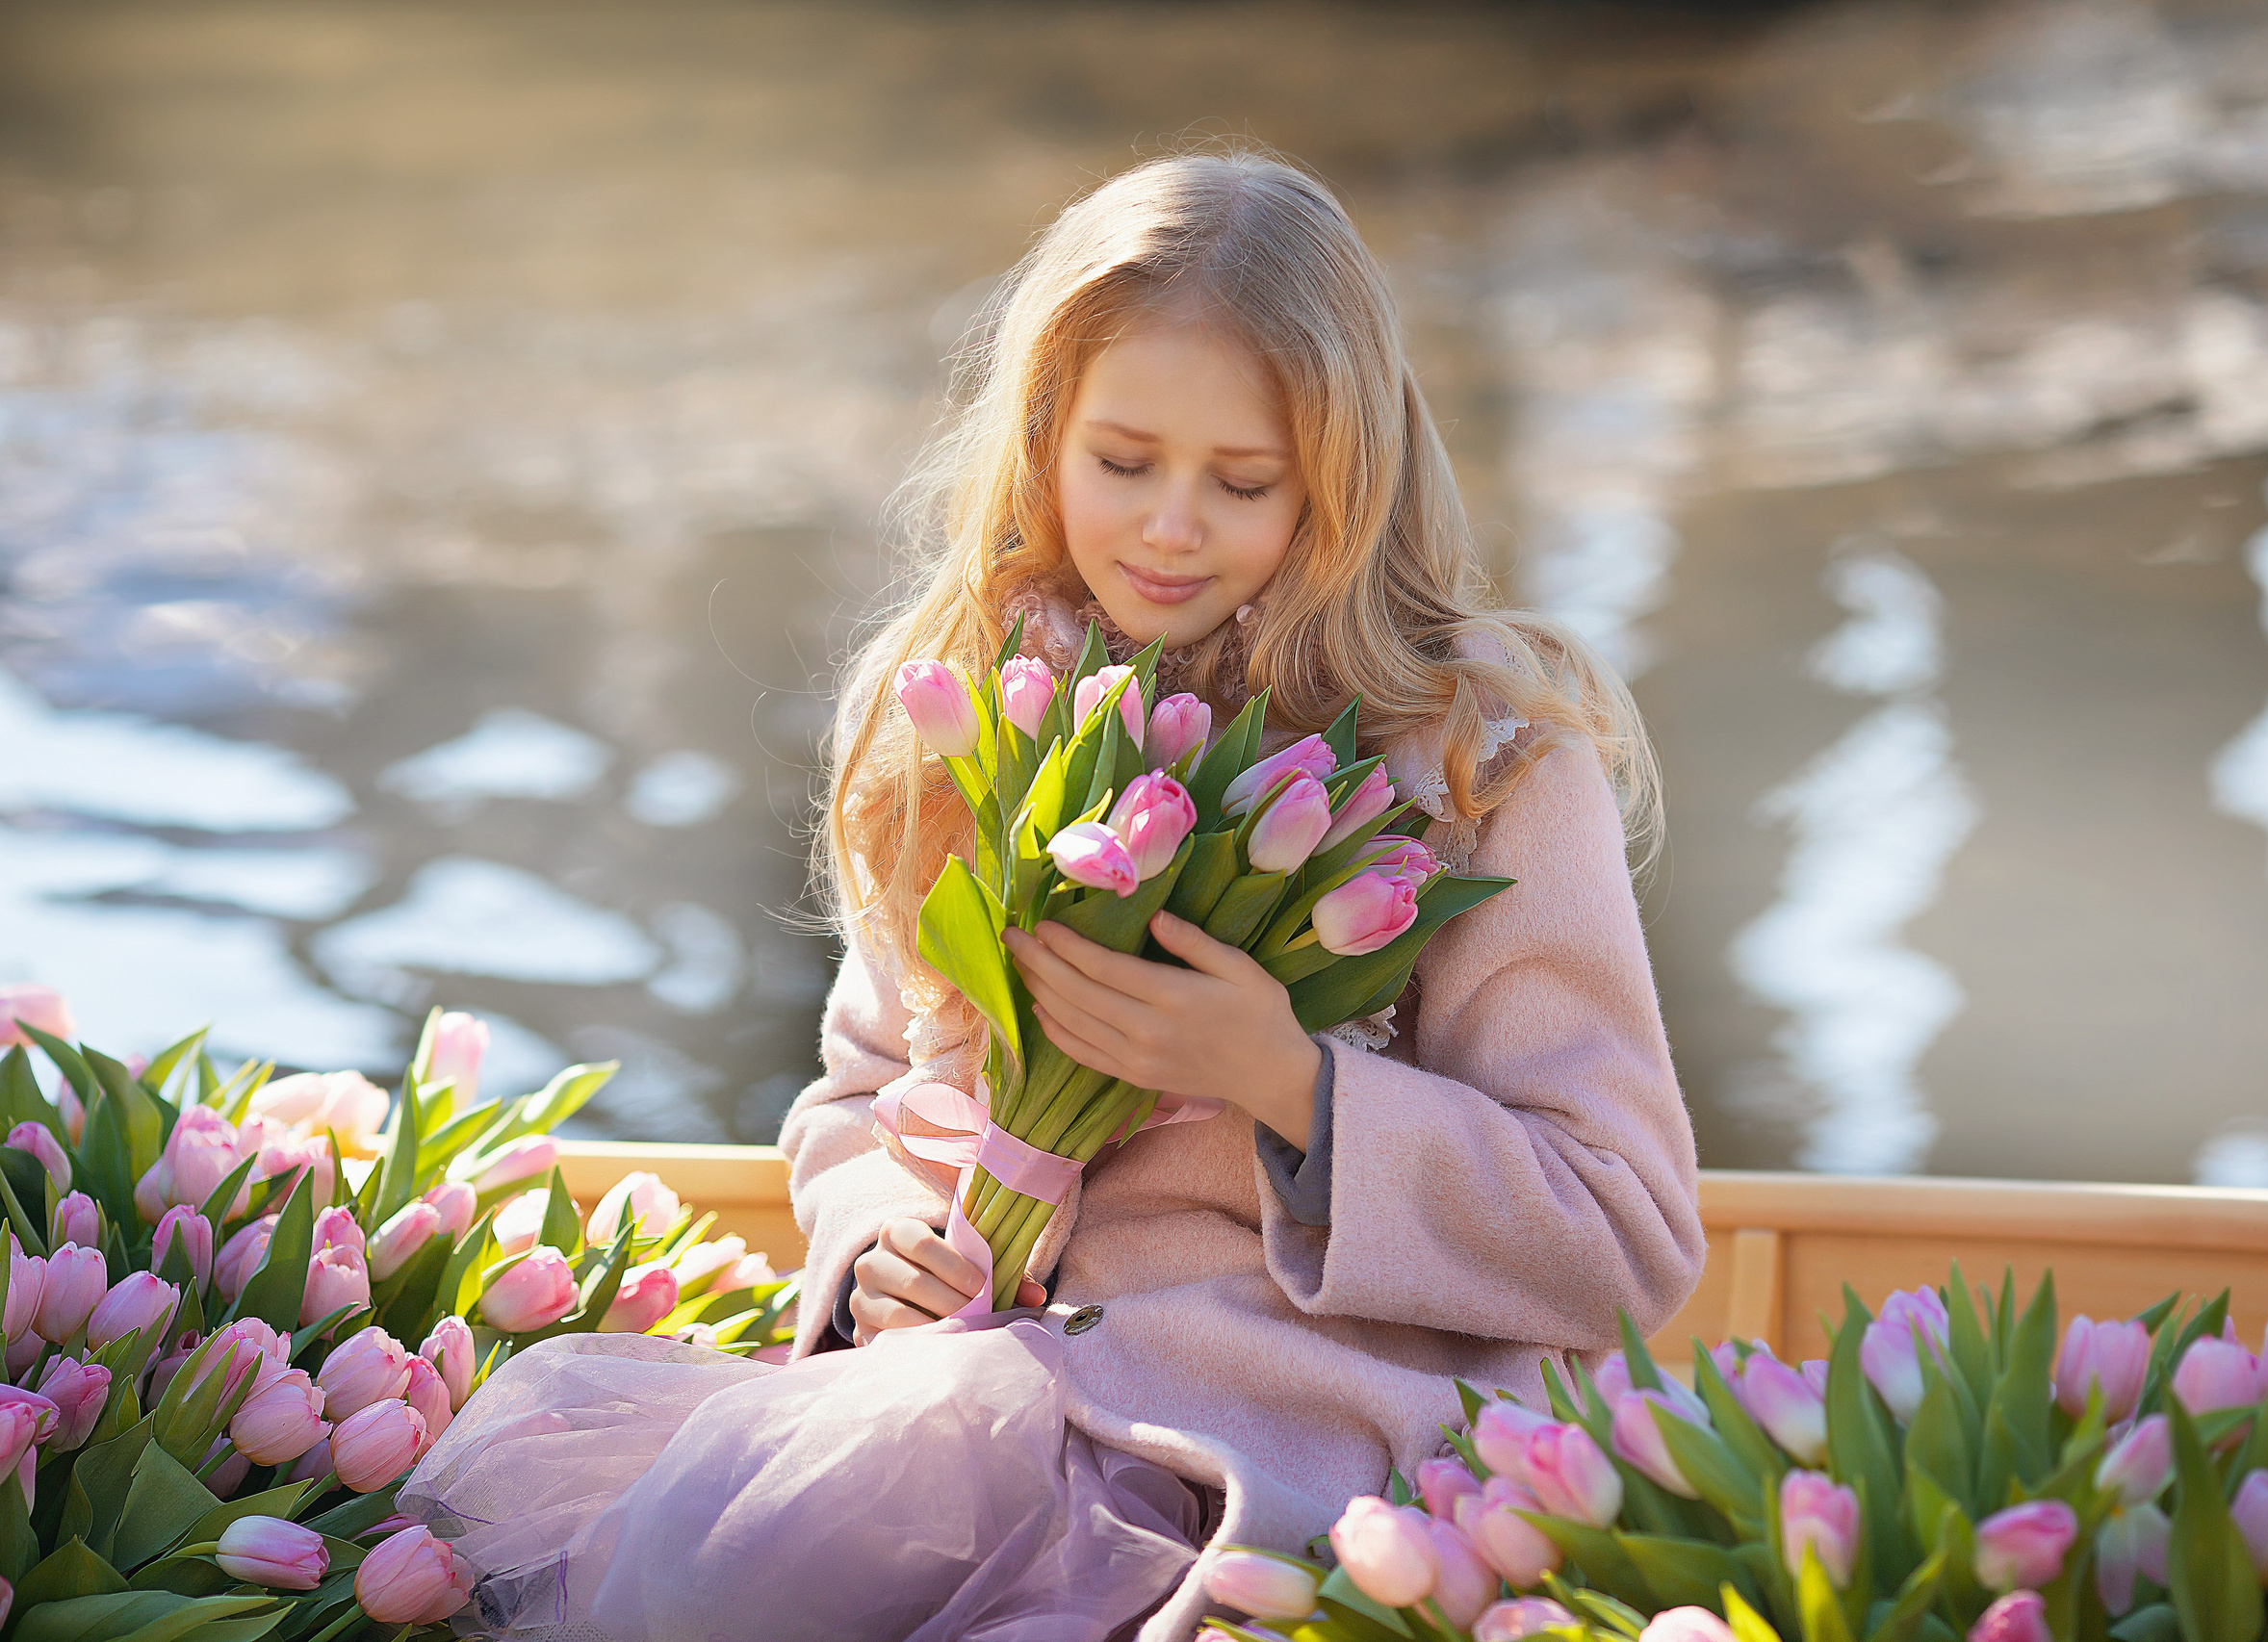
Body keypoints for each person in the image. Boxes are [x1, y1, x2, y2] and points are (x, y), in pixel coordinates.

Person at [401, 147, 1706, 1642]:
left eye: (1244, 482)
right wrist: (879, 1237)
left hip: (1289, 1463)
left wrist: (1289, 1084)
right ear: (1041, 437)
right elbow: (866, 1092)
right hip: (943, 1422)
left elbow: (1626, 1233)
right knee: (701, 1567)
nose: (1168, 525)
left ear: (1348, 473)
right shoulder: (956, 712)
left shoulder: (1480, 765)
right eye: (1122, 460)